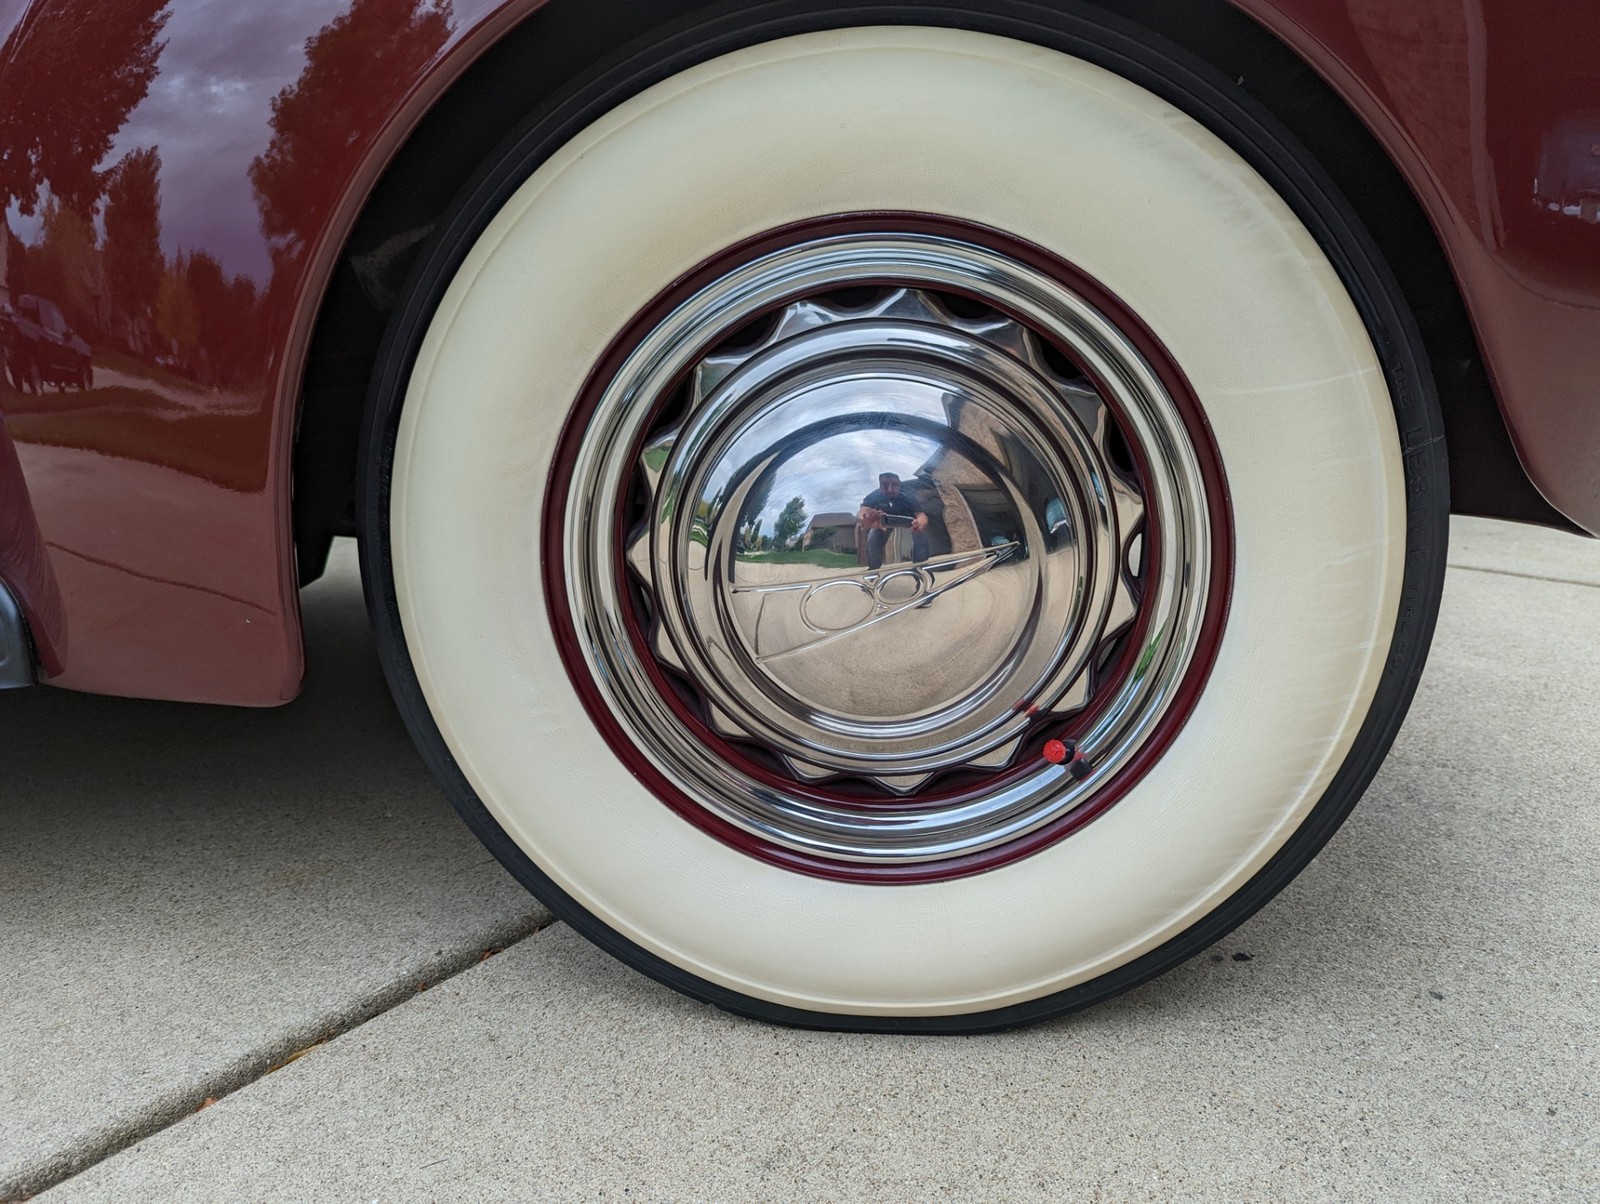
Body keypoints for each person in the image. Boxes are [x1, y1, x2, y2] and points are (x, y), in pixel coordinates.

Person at [858, 472, 930, 570]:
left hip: (908, 522)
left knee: (920, 534)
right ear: (879, 485)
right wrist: (866, 519)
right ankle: (874, 570)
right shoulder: (873, 497)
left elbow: (921, 515)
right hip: (883, 524)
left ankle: (920, 567)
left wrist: (919, 524)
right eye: (885, 485)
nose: (890, 489)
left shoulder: (907, 496)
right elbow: (863, 511)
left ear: (899, 485)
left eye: (894, 485)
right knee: (873, 535)